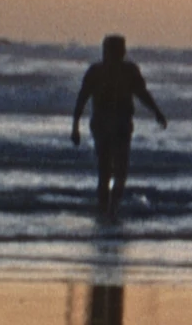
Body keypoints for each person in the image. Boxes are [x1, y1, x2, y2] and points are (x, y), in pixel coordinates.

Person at [69, 35, 166, 216]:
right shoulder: (100, 72)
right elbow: (82, 98)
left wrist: (156, 112)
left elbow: (141, 93)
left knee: (112, 170)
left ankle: (108, 208)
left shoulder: (124, 71)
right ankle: (108, 208)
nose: (120, 53)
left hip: (116, 124)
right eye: (118, 49)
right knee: (111, 170)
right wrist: (75, 127)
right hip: (106, 124)